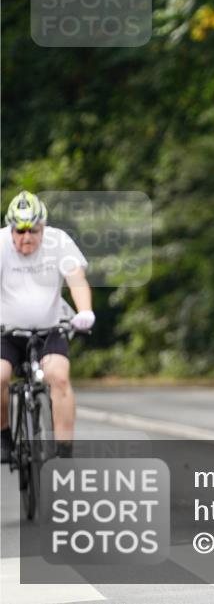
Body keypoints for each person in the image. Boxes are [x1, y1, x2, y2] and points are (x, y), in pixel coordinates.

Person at [1, 191, 94, 462]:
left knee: (60, 377)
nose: (27, 237)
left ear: (44, 227)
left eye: (34, 230)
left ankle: (64, 452)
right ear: (11, 228)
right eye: (20, 231)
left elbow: (76, 277)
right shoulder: (1, 244)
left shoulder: (58, 242)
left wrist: (85, 310)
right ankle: (4, 435)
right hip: (7, 332)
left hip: (50, 329)